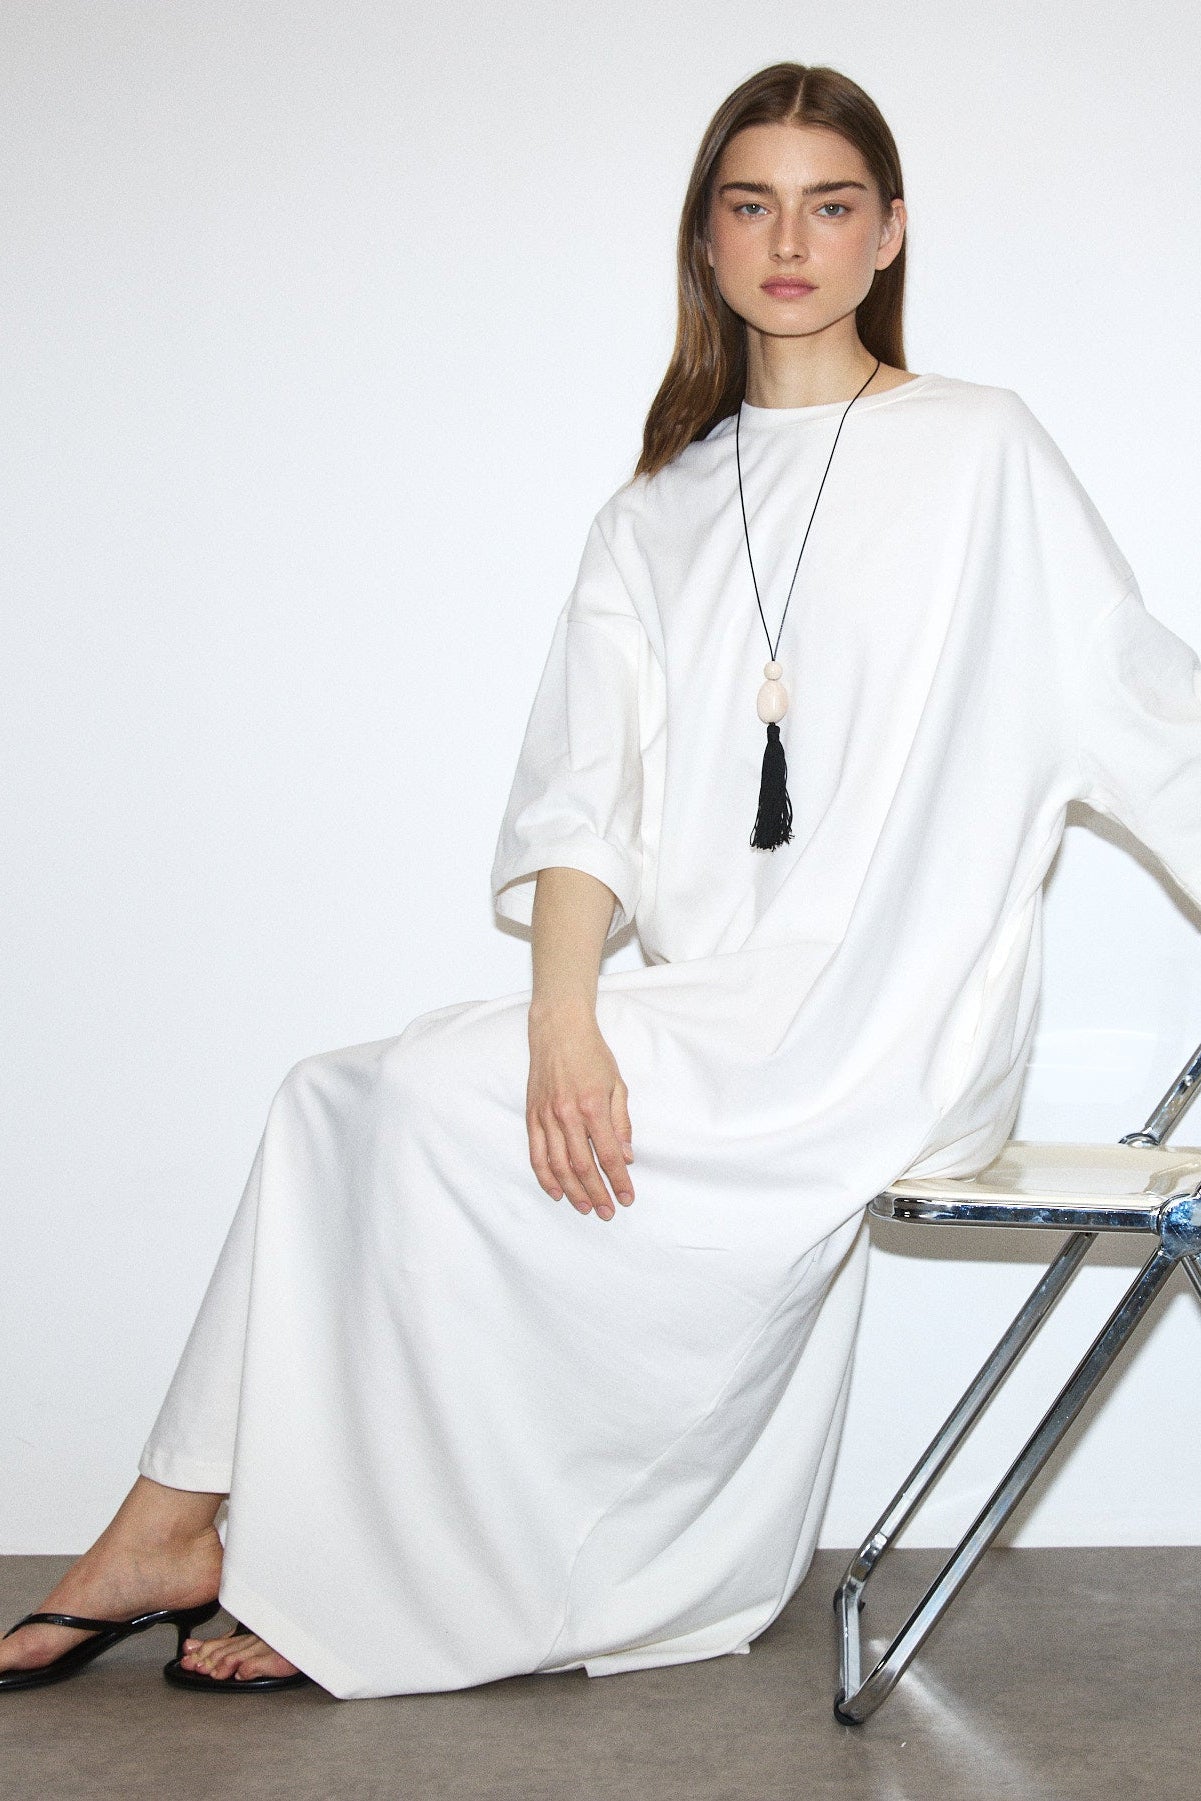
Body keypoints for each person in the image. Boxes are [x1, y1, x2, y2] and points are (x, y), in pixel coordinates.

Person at [5, 59, 1200, 1700]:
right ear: (706, 240)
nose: (790, 241)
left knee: (402, 1105)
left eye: (829, 205)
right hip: (716, 1012)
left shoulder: (979, 450)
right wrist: (560, 1021)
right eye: (751, 205)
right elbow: (583, 802)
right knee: (336, 1100)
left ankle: (258, 1544)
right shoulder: (657, 506)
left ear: (888, 233)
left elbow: (1152, 720)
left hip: (890, 1027)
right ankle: (186, 1523)